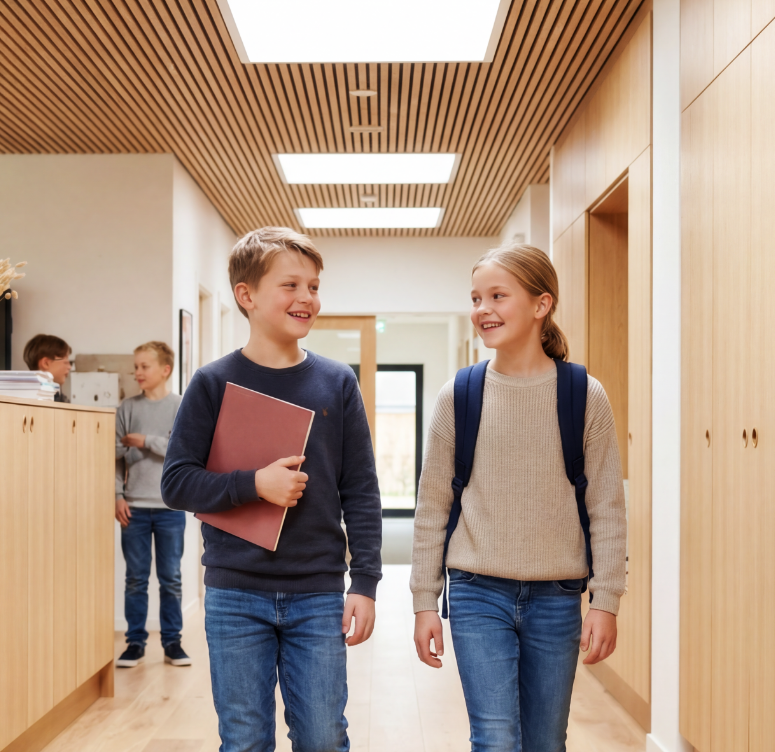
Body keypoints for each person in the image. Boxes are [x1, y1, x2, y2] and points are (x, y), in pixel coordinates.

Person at [161, 227, 382, 752]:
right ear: (247, 296)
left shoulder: (337, 382)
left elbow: (363, 490)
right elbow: (176, 482)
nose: (306, 297)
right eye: (291, 285)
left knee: (324, 737)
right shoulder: (212, 383)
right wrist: (254, 484)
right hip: (235, 593)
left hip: (318, 594)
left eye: (313, 286)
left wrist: (366, 582)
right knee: (243, 739)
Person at [411, 244, 626, 752]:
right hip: (475, 592)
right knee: (496, 737)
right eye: (476, 298)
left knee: (547, 740)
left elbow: (607, 508)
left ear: (540, 304)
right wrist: (424, 601)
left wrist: (607, 600)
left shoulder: (584, 395)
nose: (482, 309)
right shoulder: (458, 395)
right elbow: (432, 508)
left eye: (497, 296)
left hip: (556, 596)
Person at [115, 341, 187, 668]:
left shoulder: (181, 406)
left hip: (170, 507)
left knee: (170, 578)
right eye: (136, 366)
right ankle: (134, 642)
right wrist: (116, 495)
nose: (138, 372)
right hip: (134, 507)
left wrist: (144, 441)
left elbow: (183, 451)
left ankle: (172, 642)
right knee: (136, 578)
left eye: (145, 366)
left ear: (165, 370)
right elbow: (113, 457)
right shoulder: (127, 408)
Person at [23, 333, 72, 402]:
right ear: (46, 363)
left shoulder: (60, 398)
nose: (69, 367)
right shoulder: (27, 399)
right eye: (65, 362)